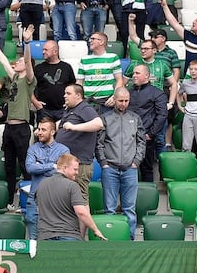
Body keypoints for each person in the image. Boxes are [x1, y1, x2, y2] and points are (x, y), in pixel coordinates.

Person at [61, 86, 145, 239]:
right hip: (110, 168)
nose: (123, 104)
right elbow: (99, 143)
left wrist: (136, 161)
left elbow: (141, 142)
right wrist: (104, 162)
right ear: (114, 99)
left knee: (130, 209)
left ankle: (130, 239)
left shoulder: (135, 118)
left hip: (130, 169)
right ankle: (110, 239)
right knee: (110, 209)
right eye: (120, 100)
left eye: (126, 101)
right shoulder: (105, 118)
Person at [0, 27, 36, 208]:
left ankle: (27, 201)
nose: (17, 63)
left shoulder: (30, 80)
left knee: (25, 166)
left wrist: (26, 43)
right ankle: (9, 201)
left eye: (21, 61)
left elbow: (29, 64)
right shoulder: (15, 78)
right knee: (9, 167)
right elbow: (3, 61)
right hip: (9, 127)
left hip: (22, 128)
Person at [34, 153, 106, 241]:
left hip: (44, 236)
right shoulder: (73, 186)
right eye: (75, 169)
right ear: (65, 168)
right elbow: (81, 212)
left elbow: (39, 210)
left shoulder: (41, 184)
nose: (77, 173)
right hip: (68, 236)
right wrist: (96, 230)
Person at [24, 117, 70, 239]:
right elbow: (30, 168)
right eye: (39, 129)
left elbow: (63, 172)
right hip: (34, 199)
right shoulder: (33, 148)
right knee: (33, 240)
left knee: (52, 239)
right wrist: (52, 165)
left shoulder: (63, 150)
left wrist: (40, 166)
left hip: (55, 201)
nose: (39, 132)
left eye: (43, 130)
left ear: (52, 132)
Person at [56, 83, 99, 200]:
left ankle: (83, 219)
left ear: (78, 96)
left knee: (80, 199)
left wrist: (74, 127)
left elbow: (98, 124)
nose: (65, 96)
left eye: (68, 93)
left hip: (80, 165)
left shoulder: (85, 108)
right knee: (67, 199)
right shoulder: (69, 110)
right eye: (65, 93)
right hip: (68, 163)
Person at [129, 63, 170, 183]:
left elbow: (162, 115)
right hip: (128, 138)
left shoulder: (157, 93)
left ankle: (147, 198)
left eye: (137, 73)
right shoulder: (129, 92)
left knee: (146, 168)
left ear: (146, 76)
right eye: (133, 73)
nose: (134, 76)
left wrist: (151, 134)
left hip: (146, 138)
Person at [31, 40, 75, 122]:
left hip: (63, 109)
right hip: (44, 110)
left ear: (55, 51)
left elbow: (73, 87)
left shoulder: (66, 67)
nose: (43, 52)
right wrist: (35, 102)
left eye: (46, 50)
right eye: (43, 50)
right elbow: (29, 87)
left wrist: (70, 102)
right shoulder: (38, 68)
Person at [78, 32, 124, 106]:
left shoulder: (113, 58)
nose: (90, 41)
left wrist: (114, 97)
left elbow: (119, 80)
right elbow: (79, 82)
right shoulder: (84, 59)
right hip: (87, 101)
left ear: (101, 42)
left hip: (107, 101)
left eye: (93, 39)